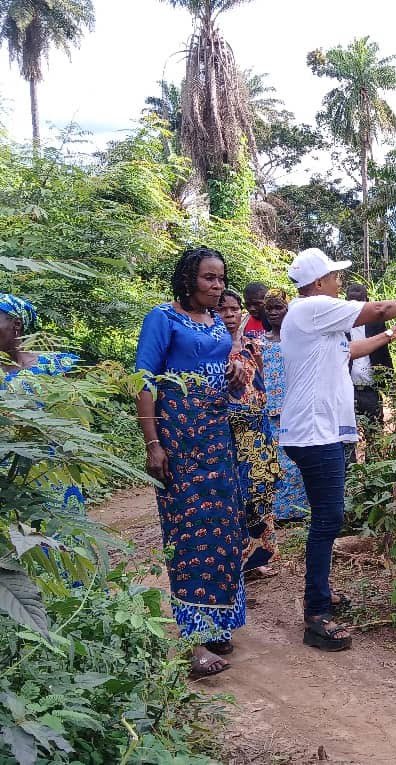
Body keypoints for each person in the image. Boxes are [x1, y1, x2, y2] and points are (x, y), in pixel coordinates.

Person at [279, 247, 396, 651]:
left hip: (323, 431)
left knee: (328, 518)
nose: (338, 281)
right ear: (317, 283)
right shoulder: (313, 306)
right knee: (328, 520)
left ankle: (322, 594)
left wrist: (388, 337)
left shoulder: (314, 319)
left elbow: (348, 351)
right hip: (316, 433)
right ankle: (315, 614)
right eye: (333, 276)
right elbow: (377, 308)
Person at [135, 247, 248, 678]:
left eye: (221, 279)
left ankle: (219, 623)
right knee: (188, 530)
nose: (217, 287)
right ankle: (194, 640)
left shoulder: (218, 322)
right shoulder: (163, 318)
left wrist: (236, 375)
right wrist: (153, 444)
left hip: (217, 434)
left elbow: (225, 376)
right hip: (179, 436)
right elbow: (144, 382)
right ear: (188, 279)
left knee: (223, 525)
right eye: (209, 279)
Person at [0, 294, 84, 515]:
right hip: (4, 479)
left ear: (16, 324)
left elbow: (76, 419)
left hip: (50, 471)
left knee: (60, 536)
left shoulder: (57, 366)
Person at [218, 289, 281, 578]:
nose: (229, 315)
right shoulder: (210, 349)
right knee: (234, 495)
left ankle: (257, 559)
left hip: (257, 427)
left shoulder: (253, 345)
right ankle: (234, 561)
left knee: (260, 491)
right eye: (223, 310)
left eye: (234, 309)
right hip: (228, 432)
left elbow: (262, 383)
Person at [260, 289, 309, 522]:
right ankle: (279, 512)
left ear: (287, 309)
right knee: (275, 460)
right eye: (269, 308)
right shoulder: (259, 342)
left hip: (295, 406)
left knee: (297, 458)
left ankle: (300, 510)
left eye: (278, 307)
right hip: (269, 408)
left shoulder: (297, 339)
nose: (273, 312)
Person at [344, 283, 396, 461]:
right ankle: (350, 477)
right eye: (352, 303)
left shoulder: (377, 323)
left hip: (371, 390)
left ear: (367, 302)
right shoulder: (339, 325)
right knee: (346, 437)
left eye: (360, 302)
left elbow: (384, 353)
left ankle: (373, 475)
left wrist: (390, 382)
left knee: (374, 435)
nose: (356, 307)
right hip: (345, 391)